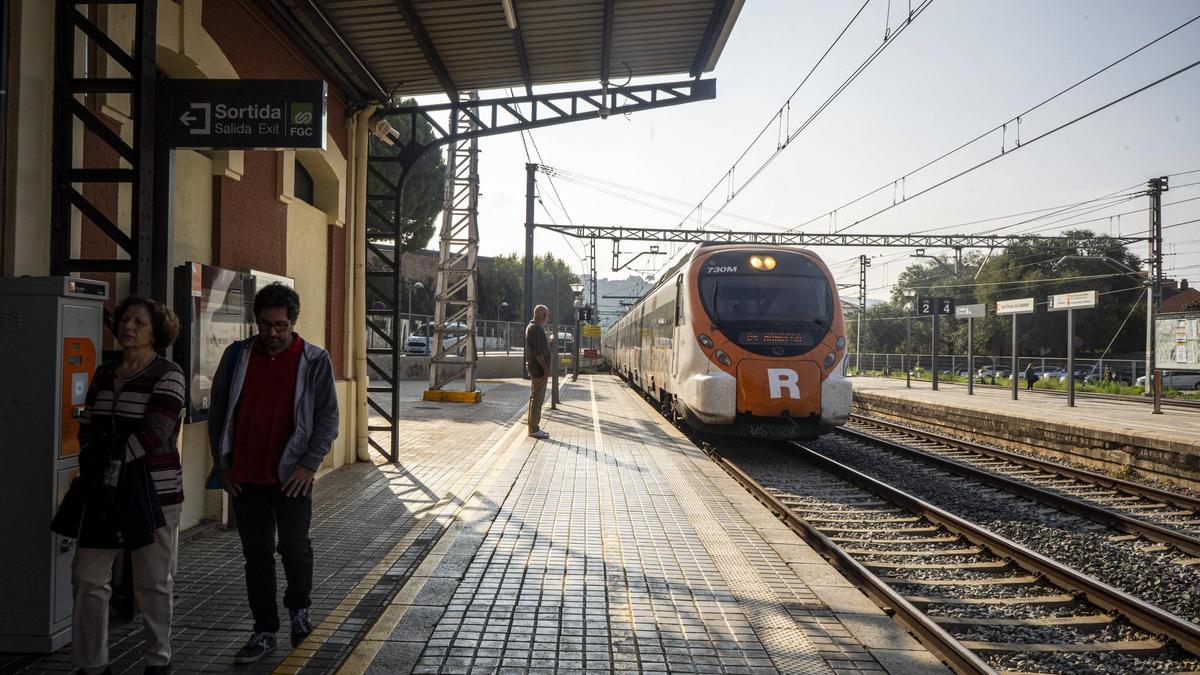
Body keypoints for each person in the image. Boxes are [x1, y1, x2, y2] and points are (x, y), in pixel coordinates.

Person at [208, 283, 339, 664]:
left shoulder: (314, 360)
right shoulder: (237, 356)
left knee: (295, 548)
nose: (273, 333)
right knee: (257, 556)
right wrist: (223, 462)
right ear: (256, 321)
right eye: (265, 325)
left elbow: (327, 418)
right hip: (246, 476)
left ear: (293, 322)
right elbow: (219, 413)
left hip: (292, 476)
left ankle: (299, 611)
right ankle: (264, 629)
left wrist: (309, 464)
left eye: (280, 325)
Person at [56, 297, 185, 675]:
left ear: (156, 332)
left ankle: (157, 660)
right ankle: (92, 665)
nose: (128, 327)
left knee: (153, 582)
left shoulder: (168, 373)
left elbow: (156, 433)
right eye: (125, 320)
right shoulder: (104, 372)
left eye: (139, 322)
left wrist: (106, 461)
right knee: (87, 576)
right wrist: (96, 459)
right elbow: (89, 423)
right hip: (103, 492)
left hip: (153, 493)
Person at [525, 304, 552, 439]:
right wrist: (546, 369)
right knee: (537, 399)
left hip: (536, 369)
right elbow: (539, 353)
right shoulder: (536, 329)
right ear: (543, 315)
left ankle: (533, 426)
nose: (548, 317)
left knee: (535, 398)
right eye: (547, 314)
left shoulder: (532, 327)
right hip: (539, 370)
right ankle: (534, 428)